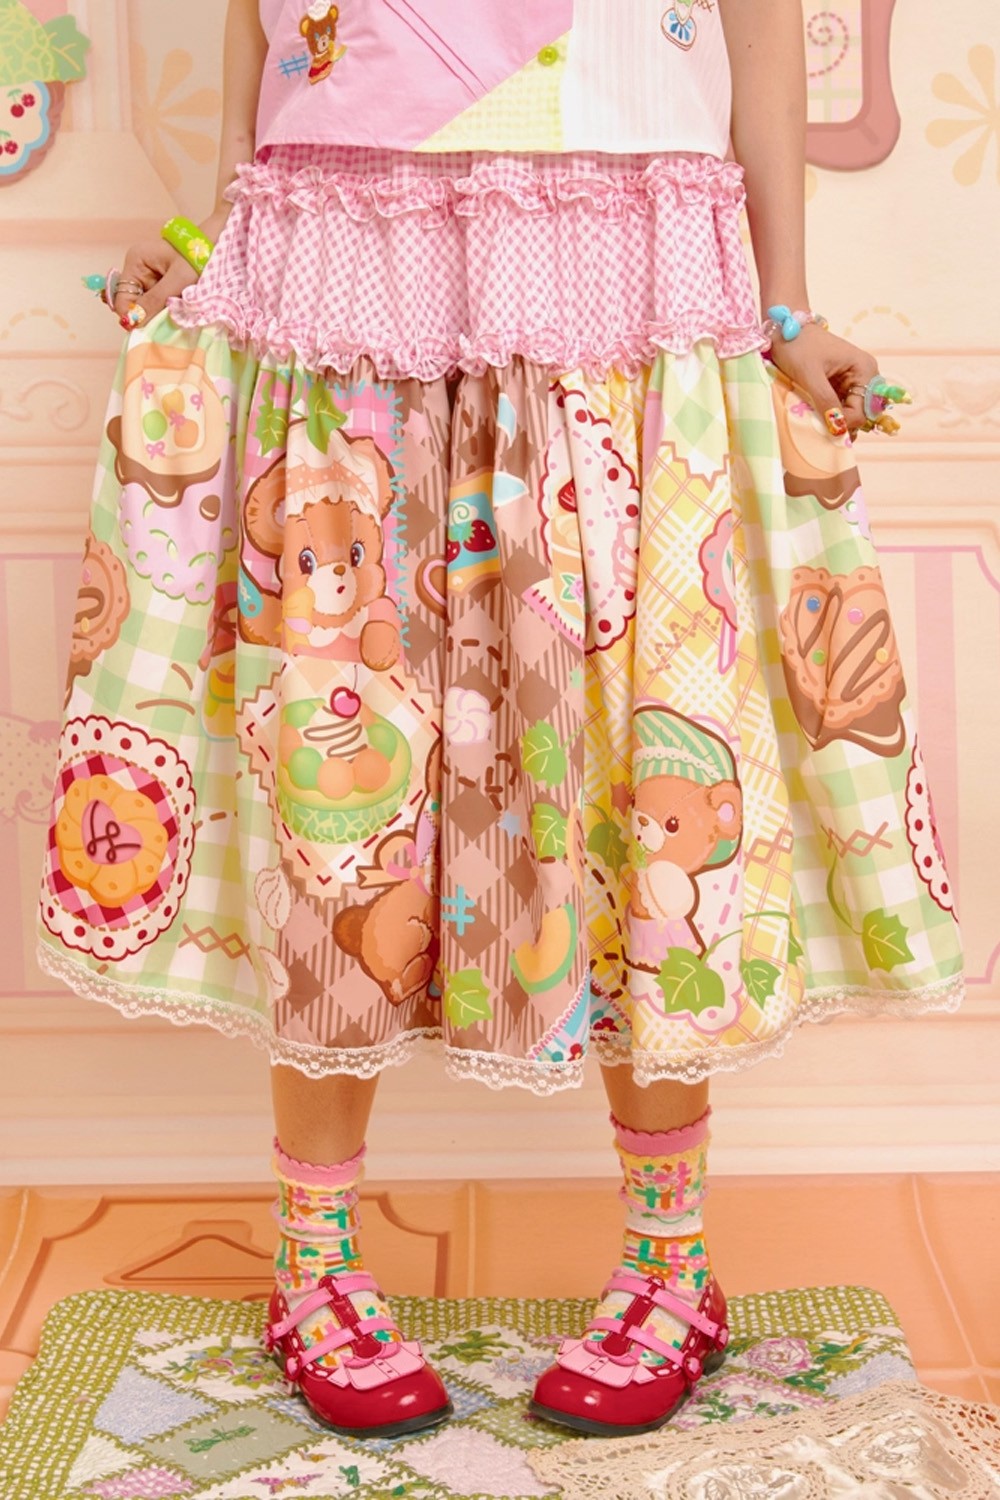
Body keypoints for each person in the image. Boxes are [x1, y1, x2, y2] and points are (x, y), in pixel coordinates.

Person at [39, 0, 964, 1441]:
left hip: (633, 242)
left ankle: (672, 1269)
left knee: (639, 759)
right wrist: (221, 214)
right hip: (341, 242)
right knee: (336, 759)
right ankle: (313, 1271)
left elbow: (761, 18)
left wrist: (788, 309)